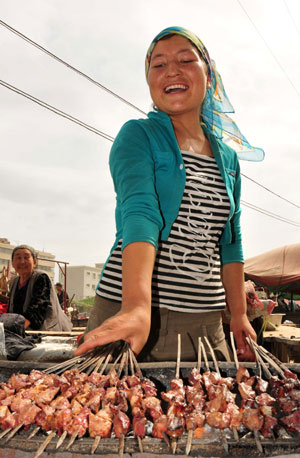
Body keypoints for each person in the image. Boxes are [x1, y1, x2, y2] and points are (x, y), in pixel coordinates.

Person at [75, 26, 265, 362]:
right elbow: (140, 212)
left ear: (210, 77)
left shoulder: (229, 159)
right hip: (131, 314)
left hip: (204, 323)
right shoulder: (138, 136)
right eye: (158, 64)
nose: (171, 71)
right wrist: (135, 308)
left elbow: (230, 240)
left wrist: (238, 314)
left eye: (185, 60)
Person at [8, 244, 72, 331]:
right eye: (18, 258)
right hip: (23, 331)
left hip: (47, 331)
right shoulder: (14, 282)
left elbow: (37, 309)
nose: (22, 262)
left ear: (34, 262)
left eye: (26, 257)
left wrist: (16, 330)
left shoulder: (41, 277)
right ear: (13, 263)